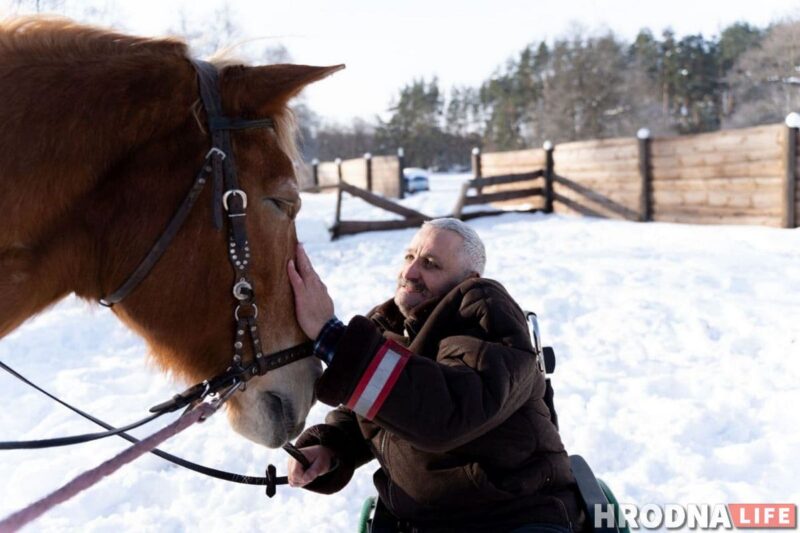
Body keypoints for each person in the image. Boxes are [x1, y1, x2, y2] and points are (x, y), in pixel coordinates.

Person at [286, 218, 582, 533]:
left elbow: (447, 411)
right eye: (409, 257)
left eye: (431, 264)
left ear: (469, 279)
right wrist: (332, 447)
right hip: (419, 520)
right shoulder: (390, 324)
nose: (410, 272)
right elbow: (384, 409)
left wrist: (330, 335)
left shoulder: (486, 313)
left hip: (509, 516)